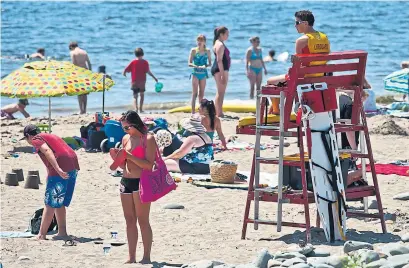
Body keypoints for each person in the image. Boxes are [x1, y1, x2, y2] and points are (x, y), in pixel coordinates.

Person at [21, 125, 80, 240]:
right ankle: (62, 233)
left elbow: (47, 151)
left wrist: (58, 169)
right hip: (73, 165)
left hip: (61, 166)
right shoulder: (50, 135)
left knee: (50, 203)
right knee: (60, 201)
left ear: (28, 136)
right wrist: (51, 174)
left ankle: (41, 235)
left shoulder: (36, 139)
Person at [267, 10, 330, 114]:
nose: (295, 26)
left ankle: (276, 111)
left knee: (270, 82)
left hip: (305, 79)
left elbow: (298, 67)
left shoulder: (302, 40)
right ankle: (274, 108)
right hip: (320, 78)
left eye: (297, 22)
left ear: (305, 23)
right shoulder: (324, 37)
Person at [115, 111, 156, 264]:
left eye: (127, 128)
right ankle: (131, 257)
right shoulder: (126, 138)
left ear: (135, 124)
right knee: (129, 220)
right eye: (123, 128)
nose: (125, 131)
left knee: (143, 220)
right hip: (125, 180)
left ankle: (146, 257)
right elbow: (122, 164)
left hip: (141, 182)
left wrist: (129, 156)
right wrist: (117, 158)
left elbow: (149, 165)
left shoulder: (148, 139)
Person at [123, 48, 158, 113]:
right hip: (142, 81)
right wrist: (154, 78)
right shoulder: (145, 62)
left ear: (135, 54)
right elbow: (148, 71)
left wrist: (124, 73)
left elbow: (126, 69)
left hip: (134, 81)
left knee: (135, 96)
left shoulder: (133, 62)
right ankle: (141, 109)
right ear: (143, 54)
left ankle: (136, 109)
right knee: (142, 95)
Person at [188, 35, 212, 114]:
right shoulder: (193, 50)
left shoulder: (207, 51)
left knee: (201, 93)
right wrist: (196, 66)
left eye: (201, 40)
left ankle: (200, 111)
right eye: (198, 40)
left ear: (204, 42)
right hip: (195, 73)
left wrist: (205, 66)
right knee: (194, 93)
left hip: (203, 73)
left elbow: (210, 63)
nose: (199, 42)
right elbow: (189, 63)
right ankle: (193, 112)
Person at [211, 26, 231, 117]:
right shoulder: (220, 44)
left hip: (220, 69)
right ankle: (219, 112)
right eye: (226, 34)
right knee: (221, 92)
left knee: (220, 92)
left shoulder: (218, 43)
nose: (228, 36)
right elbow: (219, 60)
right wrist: (222, 74)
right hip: (220, 70)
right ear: (221, 34)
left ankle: (218, 111)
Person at [69, 41, 92, 114]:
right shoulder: (84, 52)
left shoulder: (73, 53)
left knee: (79, 92)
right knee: (85, 92)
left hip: (78, 74)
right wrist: (90, 73)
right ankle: (84, 110)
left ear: (71, 47)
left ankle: (81, 110)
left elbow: (73, 64)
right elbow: (89, 63)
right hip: (85, 73)